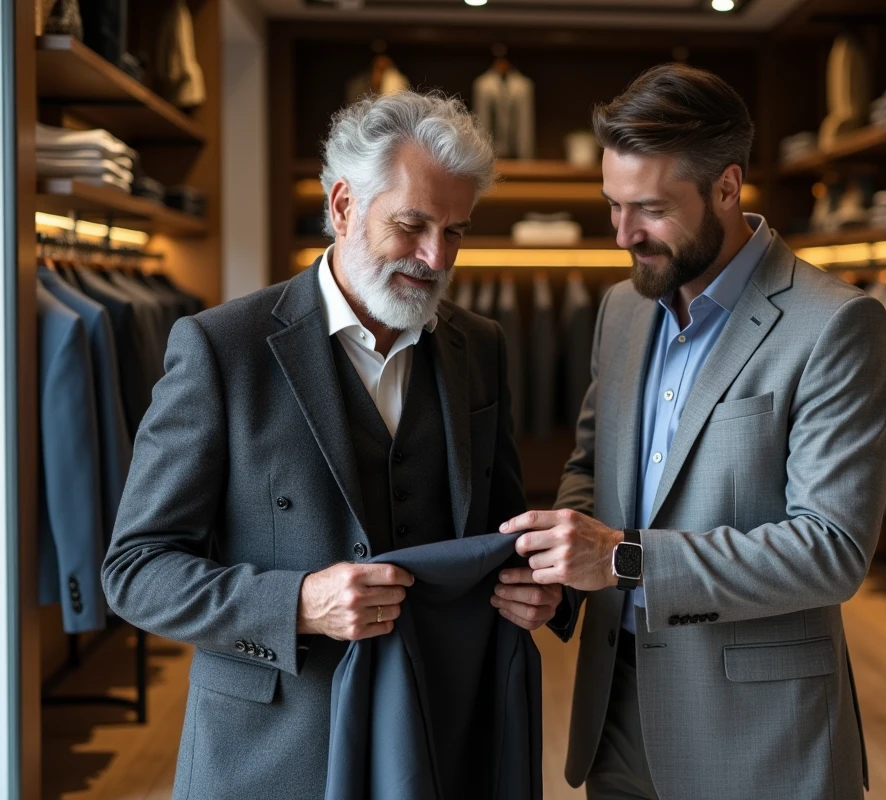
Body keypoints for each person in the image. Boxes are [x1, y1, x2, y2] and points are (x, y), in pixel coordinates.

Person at [101, 91, 562, 799]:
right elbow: (136, 569)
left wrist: (537, 591)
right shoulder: (223, 349)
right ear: (344, 205)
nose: (436, 257)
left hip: (440, 738)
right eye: (412, 225)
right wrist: (295, 604)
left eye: (456, 232)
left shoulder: (481, 346)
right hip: (277, 752)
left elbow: (496, 534)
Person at [497, 64, 886, 800]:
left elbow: (831, 551)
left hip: (760, 742)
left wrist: (622, 560)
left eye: (647, 208)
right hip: (616, 721)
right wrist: (559, 581)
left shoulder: (835, 324)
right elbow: (591, 470)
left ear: (726, 186)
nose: (622, 234)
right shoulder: (621, 309)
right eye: (612, 205)